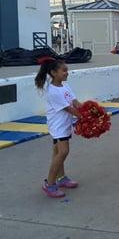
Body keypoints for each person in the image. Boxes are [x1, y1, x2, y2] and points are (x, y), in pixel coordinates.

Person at [35, 58, 81, 198]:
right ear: (53, 73)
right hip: (58, 126)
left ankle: (61, 178)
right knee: (63, 152)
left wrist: (90, 110)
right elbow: (69, 109)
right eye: (64, 70)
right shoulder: (53, 91)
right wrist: (84, 117)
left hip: (64, 124)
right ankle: (49, 184)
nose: (67, 73)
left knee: (57, 152)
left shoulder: (64, 86)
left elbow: (75, 102)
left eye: (67, 70)